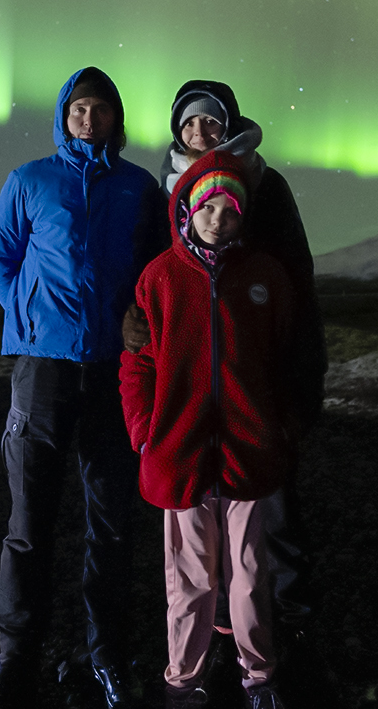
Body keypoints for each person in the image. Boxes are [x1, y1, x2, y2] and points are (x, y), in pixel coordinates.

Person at [0, 67, 167, 709]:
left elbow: (159, 268)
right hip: (43, 369)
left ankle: (107, 655)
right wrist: (28, 318)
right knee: (30, 521)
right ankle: (15, 660)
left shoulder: (139, 188)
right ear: (64, 115)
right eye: (79, 108)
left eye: (101, 109)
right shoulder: (29, 180)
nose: (90, 118)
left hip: (115, 369)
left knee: (110, 522)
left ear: (116, 118)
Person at [127, 80, 328, 654]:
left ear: (230, 124)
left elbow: (295, 276)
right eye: (188, 124)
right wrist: (134, 325)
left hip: (255, 372)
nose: (199, 133)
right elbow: (148, 272)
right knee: (197, 506)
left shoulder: (264, 185)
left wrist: (300, 389)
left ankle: (290, 614)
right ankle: (217, 620)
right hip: (190, 378)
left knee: (273, 504)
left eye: (210, 123)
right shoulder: (162, 190)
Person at [120, 151, 299, 709]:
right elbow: (138, 365)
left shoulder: (266, 275)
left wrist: (281, 427)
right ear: (188, 211)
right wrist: (145, 434)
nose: (218, 219)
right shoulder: (160, 277)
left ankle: (260, 675)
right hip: (180, 451)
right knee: (189, 579)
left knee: (249, 576)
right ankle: (184, 681)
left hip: (248, 450)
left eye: (229, 211)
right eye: (209, 208)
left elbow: (286, 358)